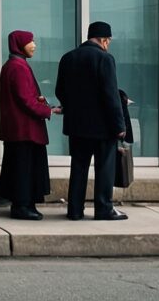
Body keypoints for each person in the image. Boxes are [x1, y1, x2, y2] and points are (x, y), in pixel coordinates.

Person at [55, 21, 127, 221]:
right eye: (108, 41)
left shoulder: (68, 58)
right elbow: (110, 95)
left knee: (78, 167)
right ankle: (104, 209)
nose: (108, 45)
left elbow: (59, 90)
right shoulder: (105, 59)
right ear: (104, 39)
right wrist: (120, 126)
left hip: (76, 126)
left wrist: (72, 108)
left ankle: (75, 210)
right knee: (104, 168)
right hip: (102, 127)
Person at [0, 30, 60, 220]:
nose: (34, 45)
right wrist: (48, 110)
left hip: (19, 129)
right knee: (24, 169)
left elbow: (25, 97)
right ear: (20, 44)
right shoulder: (18, 67)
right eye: (30, 41)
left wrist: (40, 101)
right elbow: (25, 100)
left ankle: (26, 204)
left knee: (23, 168)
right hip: (24, 129)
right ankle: (22, 206)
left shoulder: (14, 65)